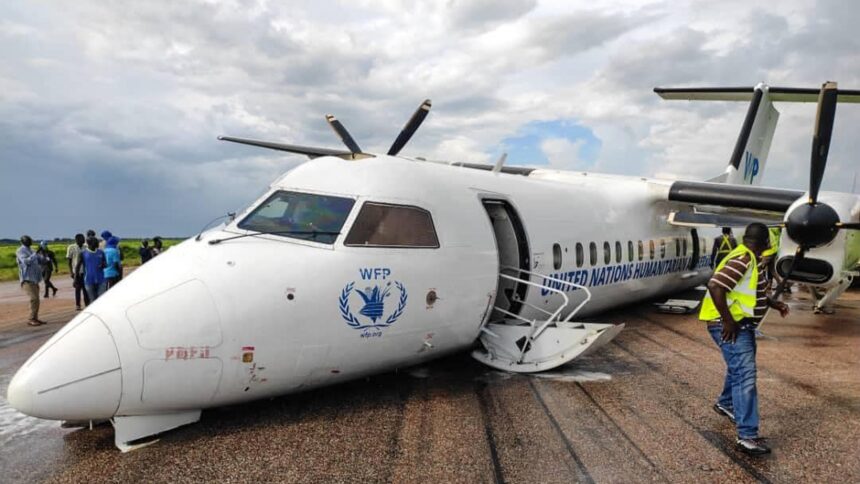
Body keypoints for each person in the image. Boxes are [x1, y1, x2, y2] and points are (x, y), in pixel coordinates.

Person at [699, 223, 790, 456]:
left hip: (740, 324)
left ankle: (726, 403)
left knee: (738, 369)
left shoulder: (750, 258)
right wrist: (728, 321)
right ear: (767, 244)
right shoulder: (744, 259)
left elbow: (752, 291)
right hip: (730, 325)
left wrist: (773, 303)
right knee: (745, 376)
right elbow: (716, 286)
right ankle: (747, 436)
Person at [16, 235, 45, 326]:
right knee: (34, 298)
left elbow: (41, 260)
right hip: (27, 279)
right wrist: (36, 253)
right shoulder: (20, 251)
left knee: (37, 299)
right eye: (28, 240)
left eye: (30, 240)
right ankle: (31, 319)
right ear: (23, 241)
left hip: (34, 279)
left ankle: (35, 318)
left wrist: (42, 254)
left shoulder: (32, 250)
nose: (30, 241)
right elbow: (26, 261)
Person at [77, 236, 106, 302]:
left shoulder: (101, 252)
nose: (98, 243)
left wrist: (103, 265)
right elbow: (77, 266)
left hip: (101, 279)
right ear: (90, 243)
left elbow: (105, 263)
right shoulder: (83, 254)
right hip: (89, 280)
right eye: (96, 242)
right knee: (92, 300)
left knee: (101, 299)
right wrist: (75, 279)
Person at [66, 233, 90, 309]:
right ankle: (78, 305)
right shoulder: (71, 247)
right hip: (76, 272)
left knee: (85, 289)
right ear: (77, 240)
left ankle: (87, 304)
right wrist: (71, 272)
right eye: (82, 239)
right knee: (77, 288)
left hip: (85, 271)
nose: (84, 240)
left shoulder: (86, 247)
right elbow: (69, 261)